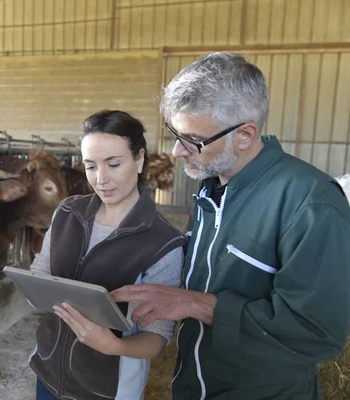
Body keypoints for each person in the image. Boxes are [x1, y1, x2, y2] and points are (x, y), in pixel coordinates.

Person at [111, 52, 350, 399]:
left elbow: (317, 333)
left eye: (192, 139)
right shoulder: (212, 188)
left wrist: (199, 305)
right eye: (174, 132)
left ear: (245, 135)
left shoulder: (311, 203)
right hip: (194, 385)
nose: (177, 151)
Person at [28, 109, 186, 400]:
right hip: (49, 373)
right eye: (90, 166)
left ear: (139, 159)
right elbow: (41, 271)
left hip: (107, 389)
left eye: (113, 164)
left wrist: (114, 346)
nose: (101, 179)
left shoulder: (164, 243)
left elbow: (157, 338)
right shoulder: (67, 212)